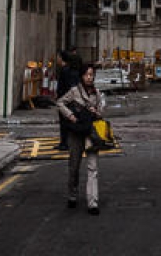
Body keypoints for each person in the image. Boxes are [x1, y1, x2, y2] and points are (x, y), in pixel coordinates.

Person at [56, 62, 105, 214]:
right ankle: (72, 195)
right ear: (82, 76)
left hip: (91, 133)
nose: (90, 77)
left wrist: (96, 111)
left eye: (92, 75)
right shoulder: (74, 91)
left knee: (93, 168)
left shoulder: (97, 93)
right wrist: (70, 115)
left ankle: (93, 203)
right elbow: (60, 103)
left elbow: (102, 113)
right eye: (87, 74)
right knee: (74, 167)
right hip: (76, 133)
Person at [55, 49, 80, 150]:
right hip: (68, 100)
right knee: (67, 122)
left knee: (64, 122)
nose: (57, 59)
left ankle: (64, 143)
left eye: (58, 57)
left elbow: (66, 86)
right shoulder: (71, 70)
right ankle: (67, 142)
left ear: (61, 58)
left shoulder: (65, 71)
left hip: (65, 100)